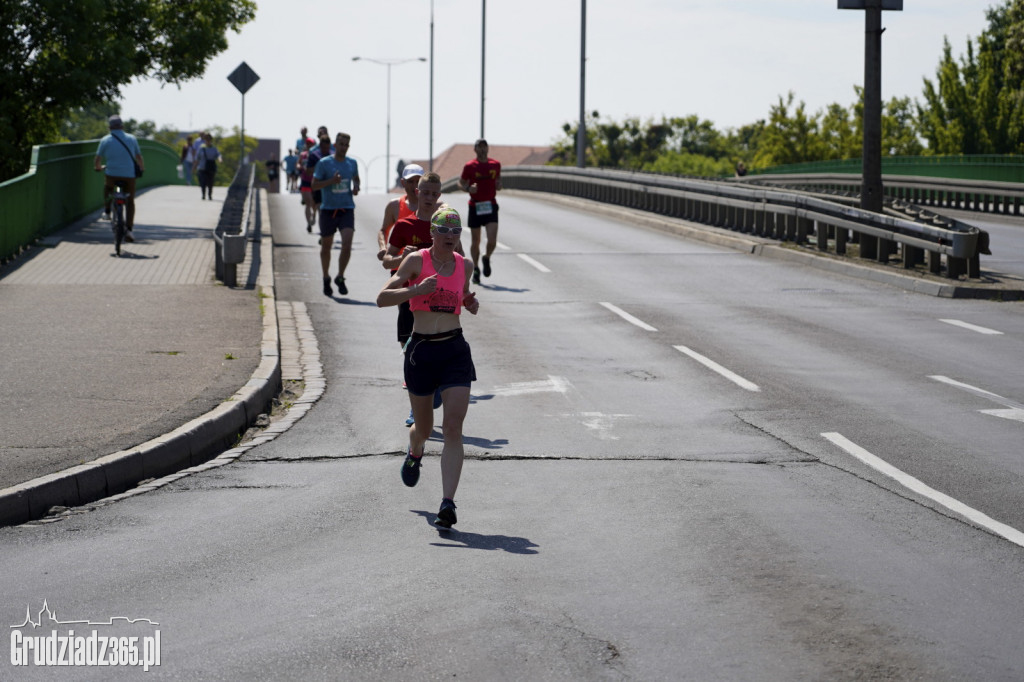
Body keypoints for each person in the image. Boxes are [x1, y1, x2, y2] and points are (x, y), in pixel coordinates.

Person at [376, 207, 479, 529]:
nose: (451, 236)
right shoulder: (416, 261)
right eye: (444, 230)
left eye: (456, 231)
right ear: (432, 233)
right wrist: (415, 290)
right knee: (423, 429)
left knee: (452, 428)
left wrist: (470, 303)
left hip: (454, 349)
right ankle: (415, 450)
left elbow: (462, 298)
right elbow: (382, 298)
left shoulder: (466, 264)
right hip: (421, 350)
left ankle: (448, 503)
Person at [381, 171, 458, 426]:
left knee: (439, 345)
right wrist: (403, 255)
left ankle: (430, 390)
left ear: (439, 196)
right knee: (410, 351)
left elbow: (461, 259)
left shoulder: (443, 225)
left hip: (440, 301)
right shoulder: (404, 225)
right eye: (425, 192)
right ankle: (417, 404)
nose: (429, 197)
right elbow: (386, 262)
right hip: (409, 299)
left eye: (434, 194)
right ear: (416, 192)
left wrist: (466, 293)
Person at [311, 132, 360, 296]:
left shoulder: (352, 163)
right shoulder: (324, 164)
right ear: (335, 145)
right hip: (328, 210)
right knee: (326, 247)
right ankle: (326, 277)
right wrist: (331, 181)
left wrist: (356, 187)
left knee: (347, 244)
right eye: (341, 144)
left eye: (346, 144)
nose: (343, 147)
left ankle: (340, 276)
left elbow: (356, 178)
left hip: (346, 208)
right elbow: (314, 185)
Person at [94, 115, 145, 242]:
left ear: (109, 127)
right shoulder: (132, 139)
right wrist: (142, 168)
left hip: (112, 175)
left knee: (107, 188)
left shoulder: (105, 140)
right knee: (130, 201)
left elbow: (97, 159)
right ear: (122, 126)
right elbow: (139, 157)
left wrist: (98, 167)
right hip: (129, 176)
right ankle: (129, 230)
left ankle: (107, 211)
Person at [458, 138, 502, 285]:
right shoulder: (470, 166)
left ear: (488, 149)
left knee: (492, 240)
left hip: (490, 205)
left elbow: (498, 181)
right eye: (479, 147)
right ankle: (476, 267)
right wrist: (468, 189)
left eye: (485, 147)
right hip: (475, 206)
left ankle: (487, 257)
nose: (482, 149)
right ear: (475, 149)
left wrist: (499, 185)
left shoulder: (495, 164)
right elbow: (461, 183)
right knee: (475, 240)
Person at [377, 163, 423, 262]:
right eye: (410, 181)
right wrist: (383, 247)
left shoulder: (434, 206)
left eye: (418, 181)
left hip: (425, 269)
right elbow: (383, 230)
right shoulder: (394, 205)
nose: (415, 186)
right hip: (399, 267)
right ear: (403, 183)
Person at [298, 138, 316, 230]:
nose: (309, 145)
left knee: (314, 203)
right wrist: (300, 167)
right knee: (308, 203)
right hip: (305, 180)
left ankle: (314, 215)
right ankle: (308, 223)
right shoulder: (303, 155)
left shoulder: (316, 155)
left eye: (311, 144)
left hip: (315, 181)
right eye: (308, 143)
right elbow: (298, 164)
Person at [196, 133, 221, 200]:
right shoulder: (202, 147)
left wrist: (220, 159)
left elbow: (218, 155)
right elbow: (197, 157)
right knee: (203, 182)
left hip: (211, 167)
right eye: (206, 140)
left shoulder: (214, 148)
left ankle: (210, 195)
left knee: (210, 182)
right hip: (202, 167)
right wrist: (194, 166)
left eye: (209, 140)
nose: (208, 141)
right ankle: (203, 194)